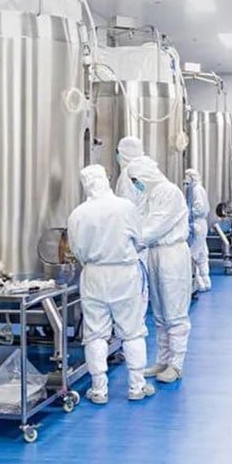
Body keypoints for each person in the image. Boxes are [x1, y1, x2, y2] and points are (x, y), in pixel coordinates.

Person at [66, 164, 158, 404]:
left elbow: (76, 250)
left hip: (93, 275)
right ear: (105, 180)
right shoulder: (125, 207)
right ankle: (137, 386)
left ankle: (99, 389)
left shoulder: (78, 214)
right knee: (132, 331)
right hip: (124, 273)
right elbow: (139, 238)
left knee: (95, 333)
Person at [126, 155, 192, 383]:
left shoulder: (169, 192)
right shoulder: (148, 195)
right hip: (154, 253)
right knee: (160, 313)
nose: (135, 184)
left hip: (171, 254)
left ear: (146, 175)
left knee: (175, 310)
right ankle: (163, 360)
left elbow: (153, 227)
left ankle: (176, 364)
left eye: (136, 180)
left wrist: (125, 244)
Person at [184, 168, 212, 293]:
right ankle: (205, 280)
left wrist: (187, 213)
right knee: (202, 253)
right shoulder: (196, 189)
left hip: (197, 223)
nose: (185, 179)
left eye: (187, 176)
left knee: (193, 253)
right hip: (200, 223)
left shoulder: (196, 190)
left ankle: (198, 282)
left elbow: (200, 208)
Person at [114, 135, 144, 205]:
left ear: (125, 153)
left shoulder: (127, 174)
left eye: (118, 152)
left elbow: (126, 203)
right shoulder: (144, 168)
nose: (117, 155)